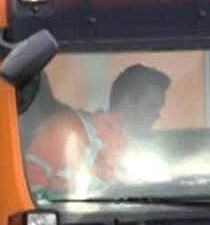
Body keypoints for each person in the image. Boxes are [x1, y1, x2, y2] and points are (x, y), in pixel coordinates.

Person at [23, 64, 172, 197]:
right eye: (152, 106)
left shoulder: (137, 149)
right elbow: (31, 193)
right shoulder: (65, 128)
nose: (158, 115)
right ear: (127, 101)